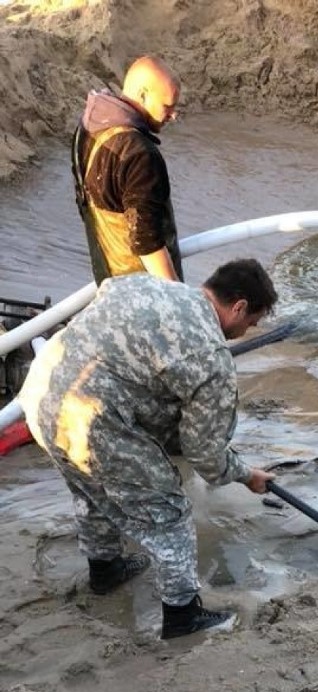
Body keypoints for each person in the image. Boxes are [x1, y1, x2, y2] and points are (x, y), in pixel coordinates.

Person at [18, 259, 278, 640]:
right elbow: (206, 455)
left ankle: (105, 571)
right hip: (92, 417)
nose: (246, 331)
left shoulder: (141, 284)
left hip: (41, 393)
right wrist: (246, 474)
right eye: (251, 322)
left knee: (91, 490)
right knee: (168, 513)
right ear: (238, 306)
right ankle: (182, 616)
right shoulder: (210, 355)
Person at [72, 56, 183, 284]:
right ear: (143, 95)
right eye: (167, 106)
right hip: (142, 292)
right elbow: (147, 242)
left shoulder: (87, 131)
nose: (174, 115)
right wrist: (180, 300)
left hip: (109, 285)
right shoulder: (140, 154)